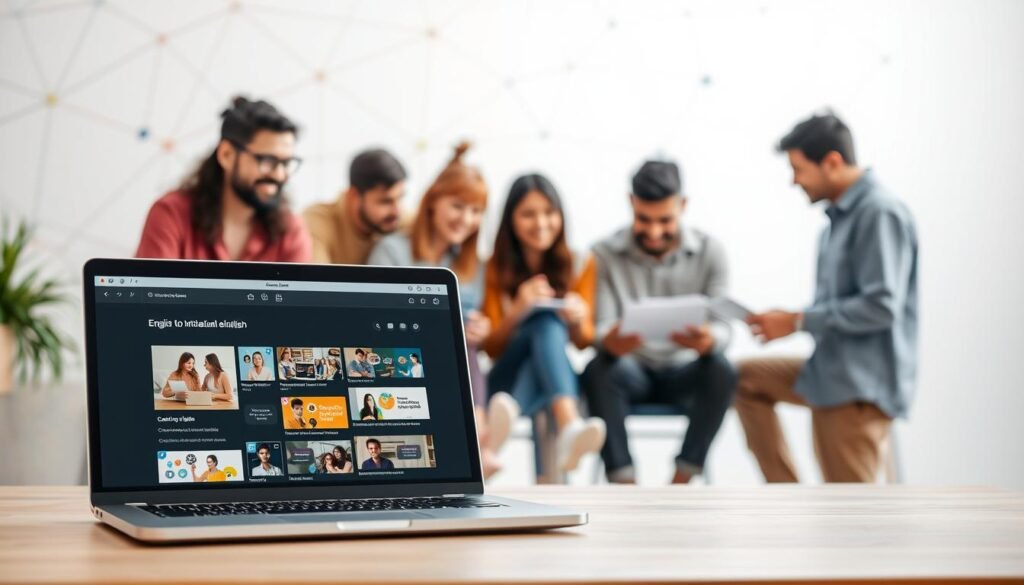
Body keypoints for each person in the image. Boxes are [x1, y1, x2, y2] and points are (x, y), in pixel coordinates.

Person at [736, 112, 919, 483]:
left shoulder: (878, 213)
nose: (793, 181)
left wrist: (798, 321)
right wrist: (788, 321)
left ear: (832, 162)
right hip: (830, 368)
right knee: (742, 378)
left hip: (858, 387)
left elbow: (882, 306)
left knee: (852, 519)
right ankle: (789, 494)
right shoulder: (839, 221)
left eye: (798, 169)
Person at [580, 160, 737, 484]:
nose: (653, 232)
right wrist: (608, 339)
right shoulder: (603, 254)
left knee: (721, 369)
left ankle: (680, 482)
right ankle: (625, 483)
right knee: (598, 368)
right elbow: (599, 327)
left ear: (683, 205)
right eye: (643, 219)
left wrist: (710, 340)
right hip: (630, 372)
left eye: (665, 220)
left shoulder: (711, 252)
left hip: (684, 371)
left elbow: (725, 328)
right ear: (631, 203)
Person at [366, 142, 513, 478]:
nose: (466, 219)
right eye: (458, 206)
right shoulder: (392, 250)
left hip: (453, 364)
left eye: (476, 211)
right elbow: (373, 318)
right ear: (433, 202)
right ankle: (481, 442)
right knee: (461, 343)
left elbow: (474, 320)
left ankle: (479, 438)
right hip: (399, 357)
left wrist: (480, 329)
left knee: (468, 342)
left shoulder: (472, 265)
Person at [482, 173, 607, 473]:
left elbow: (584, 340)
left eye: (549, 213)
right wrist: (519, 310)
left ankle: (493, 440)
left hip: (533, 383)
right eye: (528, 214)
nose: (541, 223)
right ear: (511, 219)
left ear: (561, 215)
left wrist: (577, 321)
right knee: (543, 320)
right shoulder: (492, 268)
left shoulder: (581, 263)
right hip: (504, 375)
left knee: (545, 340)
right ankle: (569, 424)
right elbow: (491, 349)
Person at [136, 97, 311, 262]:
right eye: (267, 161)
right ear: (226, 155)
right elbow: (150, 293)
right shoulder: (171, 214)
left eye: (286, 163)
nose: (279, 175)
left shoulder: (290, 230)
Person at [304, 148, 409, 264]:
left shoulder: (397, 218)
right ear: (354, 196)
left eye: (400, 198)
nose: (397, 211)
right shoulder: (317, 223)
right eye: (385, 201)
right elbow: (315, 280)